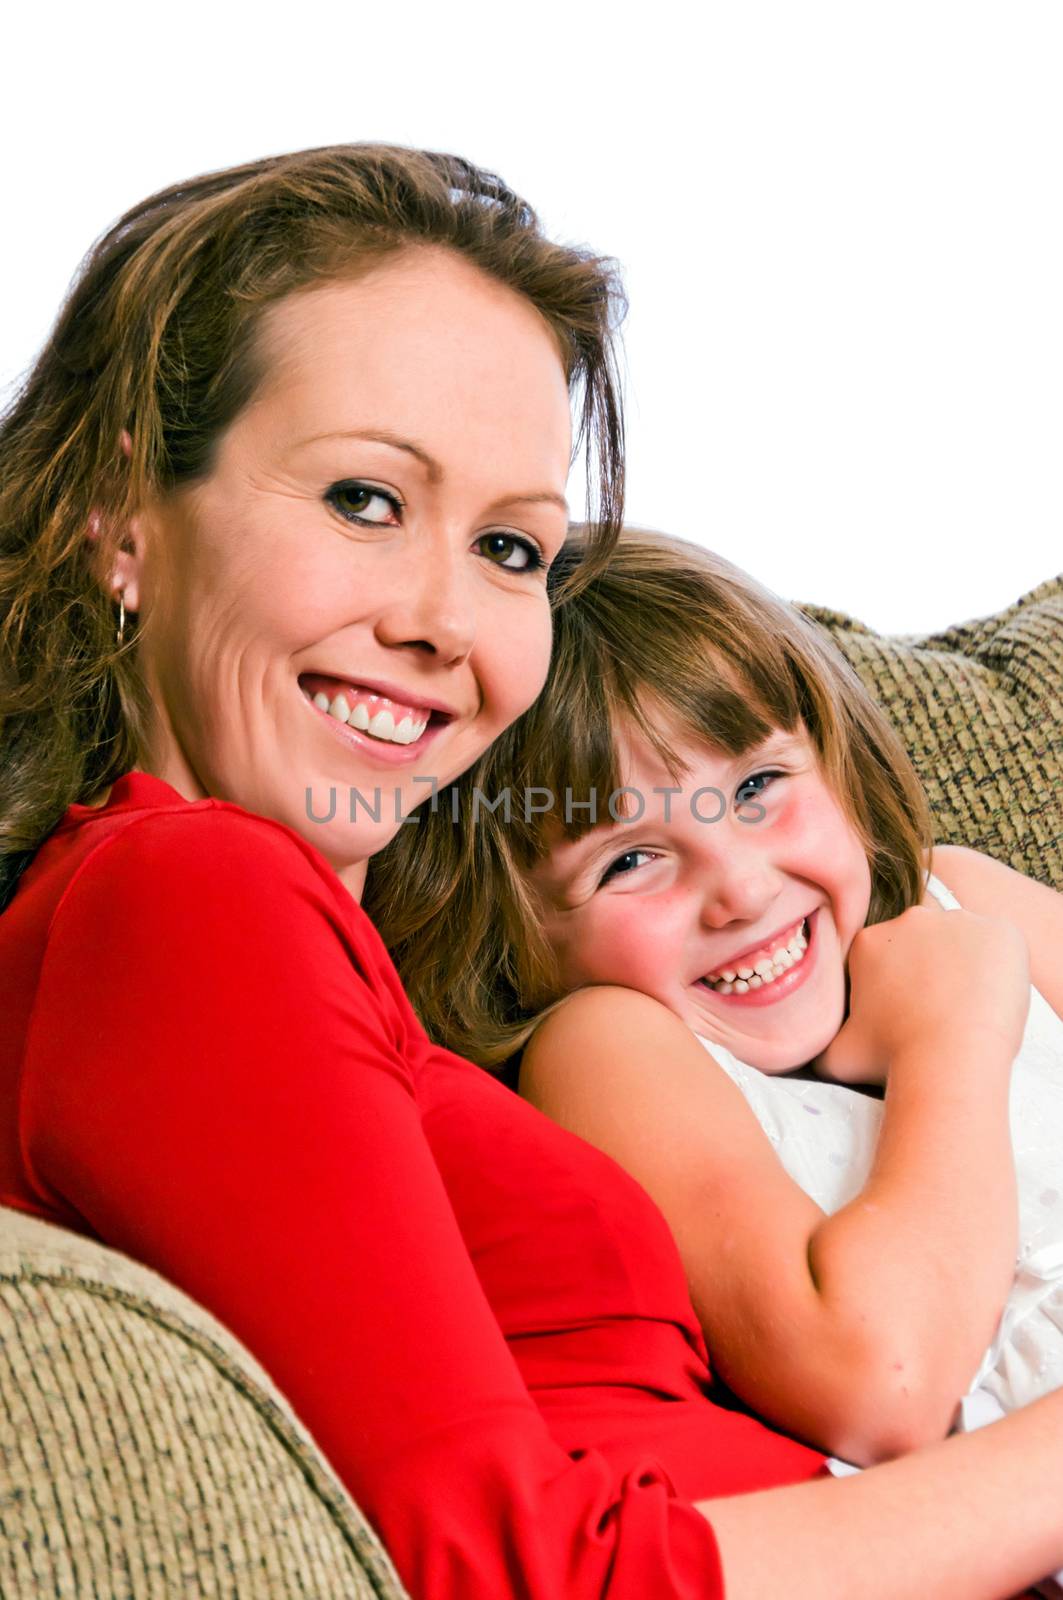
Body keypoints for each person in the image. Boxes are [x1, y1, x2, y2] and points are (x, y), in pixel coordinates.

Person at [2, 146, 1063, 1600]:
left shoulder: (318, 950)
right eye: (365, 500)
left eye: (508, 545)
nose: (447, 619)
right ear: (118, 518)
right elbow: (514, 1571)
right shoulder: (183, 892)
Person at [367, 525, 1063, 1466]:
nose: (740, 887)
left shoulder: (960, 899)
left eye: (761, 785)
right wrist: (953, 1032)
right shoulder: (607, 1046)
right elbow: (881, 1383)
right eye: (633, 860)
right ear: (512, 931)